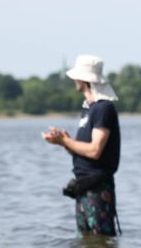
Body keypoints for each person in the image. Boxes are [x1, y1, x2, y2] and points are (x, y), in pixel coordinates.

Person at [42, 55, 121, 236]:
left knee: (101, 242)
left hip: (98, 188)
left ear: (83, 79)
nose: (74, 81)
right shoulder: (88, 109)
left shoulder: (103, 108)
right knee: (86, 244)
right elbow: (85, 152)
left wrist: (66, 141)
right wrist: (64, 142)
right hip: (83, 187)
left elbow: (95, 151)